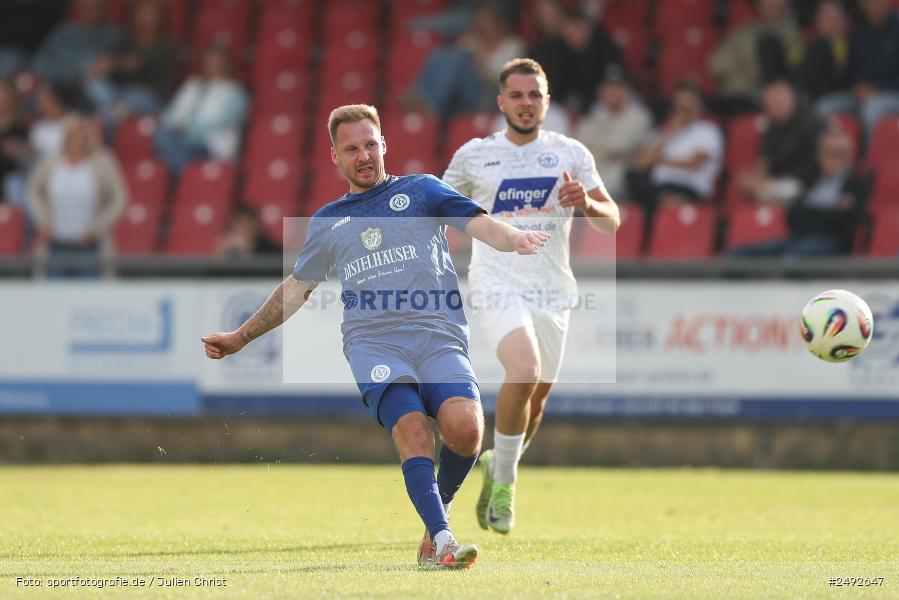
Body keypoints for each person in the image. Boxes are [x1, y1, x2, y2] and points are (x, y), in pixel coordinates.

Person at [201, 104, 550, 568]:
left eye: (370, 144)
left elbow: (480, 223)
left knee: (466, 431)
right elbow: (297, 289)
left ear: (384, 144)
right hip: (375, 343)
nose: (363, 155)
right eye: (352, 148)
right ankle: (443, 541)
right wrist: (241, 337)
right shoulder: (329, 221)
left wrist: (514, 237)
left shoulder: (422, 191)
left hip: (438, 335)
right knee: (412, 430)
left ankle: (433, 524)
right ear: (335, 157)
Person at [442, 58, 620, 534]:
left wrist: (586, 202)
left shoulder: (570, 153)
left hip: (552, 289)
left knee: (535, 402)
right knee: (524, 369)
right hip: (496, 280)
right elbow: (437, 208)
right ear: (501, 102)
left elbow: (612, 220)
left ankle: (495, 466)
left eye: (534, 95)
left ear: (548, 100)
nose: (526, 103)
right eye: (516, 95)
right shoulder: (474, 155)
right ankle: (506, 486)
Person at [730, 130, 868, 256]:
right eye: (829, 153)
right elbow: (793, 216)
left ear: (849, 157)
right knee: (739, 254)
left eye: (840, 154)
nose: (834, 160)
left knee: (793, 257)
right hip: (798, 239)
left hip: (831, 244)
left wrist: (810, 212)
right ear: (820, 156)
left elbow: (847, 222)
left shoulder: (855, 185)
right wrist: (830, 209)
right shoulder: (810, 180)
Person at [28, 116, 127, 278]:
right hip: (55, 243)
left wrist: (98, 228)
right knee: (51, 295)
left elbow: (119, 199)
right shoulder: (51, 162)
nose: (78, 140)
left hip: (90, 245)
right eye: (73, 135)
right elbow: (34, 192)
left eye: (82, 135)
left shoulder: (103, 162)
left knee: (90, 297)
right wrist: (43, 222)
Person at [627, 83, 724, 215]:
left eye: (688, 103)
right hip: (657, 188)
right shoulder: (664, 132)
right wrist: (669, 134)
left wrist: (660, 160)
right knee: (630, 178)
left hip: (688, 187)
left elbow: (694, 163)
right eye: (679, 104)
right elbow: (639, 164)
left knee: (660, 203)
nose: (683, 108)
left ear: (699, 106)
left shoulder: (708, 130)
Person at [154, 45, 248, 172]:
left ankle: (180, 178)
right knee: (163, 134)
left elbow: (219, 123)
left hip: (211, 146)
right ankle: (183, 176)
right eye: (208, 61)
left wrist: (185, 129)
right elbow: (170, 114)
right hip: (179, 140)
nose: (211, 65)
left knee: (168, 140)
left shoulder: (234, 92)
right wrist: (174, 126)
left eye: (216, 62)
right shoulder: (191, 85)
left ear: (226, 65)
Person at [815, 0, 899, 139]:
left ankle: (867, 158)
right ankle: (824, 156)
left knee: (871, 110)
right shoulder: (856, 31)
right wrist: (856, 87)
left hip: (891, 94)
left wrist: (877, 89)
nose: (874, 5)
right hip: (858, 95)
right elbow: (850, 72)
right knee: (822, 107)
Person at [84, 0, 176, 126]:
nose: (146, 17)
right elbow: (109, 58)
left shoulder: (166, 44)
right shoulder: (126, 37)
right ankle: (111, 112)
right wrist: (98, 67)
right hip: (118, 92)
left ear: (160, 17)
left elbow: (134, 63)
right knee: (92, 80)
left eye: (151, 14)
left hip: (149, 95)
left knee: (134, 97)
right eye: (142, 13)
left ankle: (105, 116)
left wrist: (112, 64)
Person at [737, 80, 821, 206]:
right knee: (747, 183)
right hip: (777, 181)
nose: (772, 108)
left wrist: (770, 181)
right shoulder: (772, 127)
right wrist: (755, 177)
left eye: (778, 103)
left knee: (770, 192)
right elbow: (764, 163)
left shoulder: (811, 125)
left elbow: (813, 166)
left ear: (791, 101)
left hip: (806, 183)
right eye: (769, 104)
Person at [708, 0, 801, 113]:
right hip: (743, 96)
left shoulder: (793, 33)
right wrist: (743, 69)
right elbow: (716, 66)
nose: (771, 3)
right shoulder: (744, 31)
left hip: (780, 99)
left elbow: (798, 66)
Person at [574, 65, 652, 198]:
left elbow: (619, 145)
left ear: (628, 91)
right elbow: (579, 146)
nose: (613, 92)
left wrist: (597, 145)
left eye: (618, 87)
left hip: (620, 176)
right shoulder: (593, 113)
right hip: (591, 172)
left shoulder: (639, 114)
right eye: (608, 87)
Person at [30, 0, 121, 86]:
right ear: (80, 7)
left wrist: (113, 63)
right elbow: (40, 62)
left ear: (105, 8)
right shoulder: (63, 31)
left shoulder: (114, 35)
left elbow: (124, 64)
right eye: (88, 7)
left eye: (98, 6)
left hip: (93, 86)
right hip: (57, 83)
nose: (93, 11)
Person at [215, 206, 281, 258]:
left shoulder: (270, 248)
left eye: (248, 224)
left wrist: (249, 252)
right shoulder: (228, 250)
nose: (244, 228)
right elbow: (213, 272)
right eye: (240, 224)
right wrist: (220, 255)